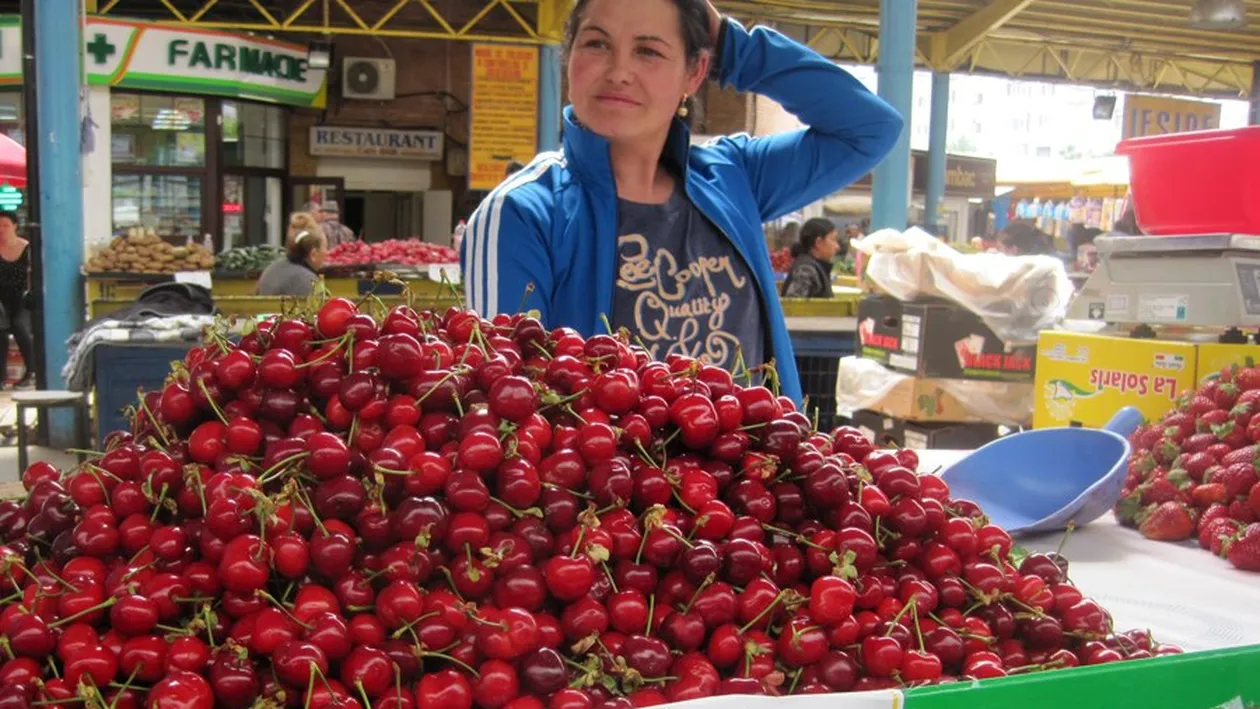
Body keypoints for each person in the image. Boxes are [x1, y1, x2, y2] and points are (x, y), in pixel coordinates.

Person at [461, 0, 902, 402]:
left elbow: (870, 128)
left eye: (648, 51)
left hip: (758, 465)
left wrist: (732, 46)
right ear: (569, 56)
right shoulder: (524, 213)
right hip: (622, 468)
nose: (618, 71)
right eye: (597, 43)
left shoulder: (734, 177)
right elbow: (509, 405)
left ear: (695, 73)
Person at [256, 213, 328, 296]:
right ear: (313, 254)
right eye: (325, 248)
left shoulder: (270, 270)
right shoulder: (310, 282)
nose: (327, 252)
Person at [0, 211, 33, 388]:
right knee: (1, 330)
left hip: (22, 298)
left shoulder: (27, 248)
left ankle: (31, 371)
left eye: (5, 225)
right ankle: (1, 377)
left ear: (15, 226)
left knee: (19, 326)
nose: (1, 229)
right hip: (1, 300)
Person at [781, 218, 842, 299]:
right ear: (818, 242)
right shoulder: (806, 269)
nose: (837, 247)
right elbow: (793, 303)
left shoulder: (812, 266)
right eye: (833, 239)